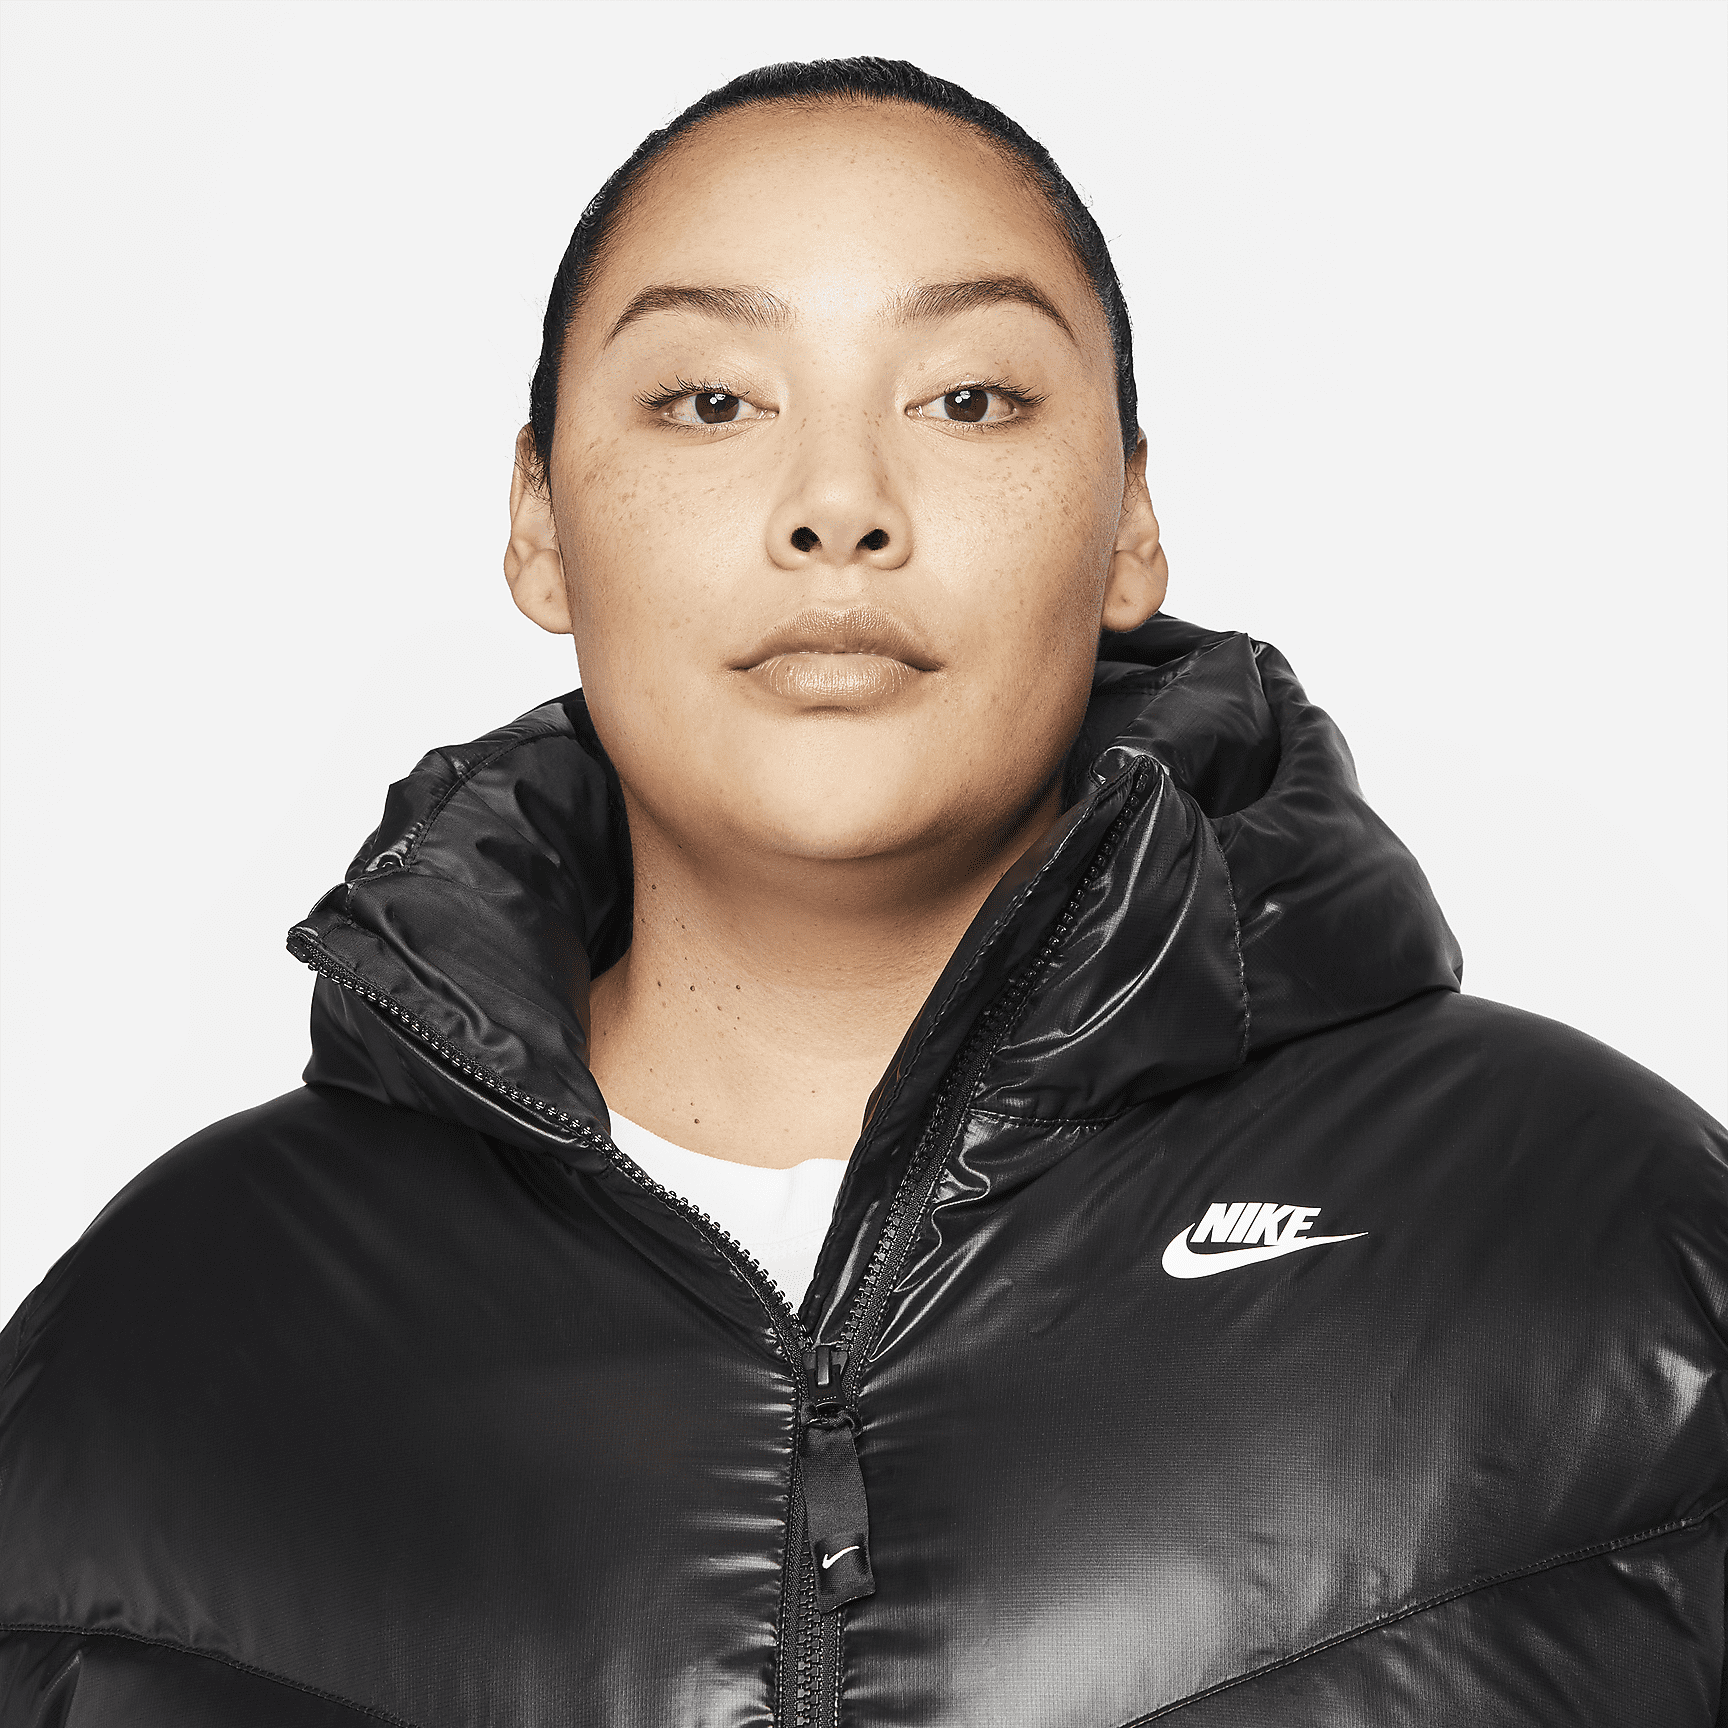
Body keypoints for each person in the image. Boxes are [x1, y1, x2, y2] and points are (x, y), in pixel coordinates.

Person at [0, 54, 1722, 1728]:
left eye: (967, 401)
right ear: (537, 518)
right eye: (711, 402)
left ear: (1129, 516)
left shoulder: (1602, 1237)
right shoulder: (155, 1345)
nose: (839, 507)